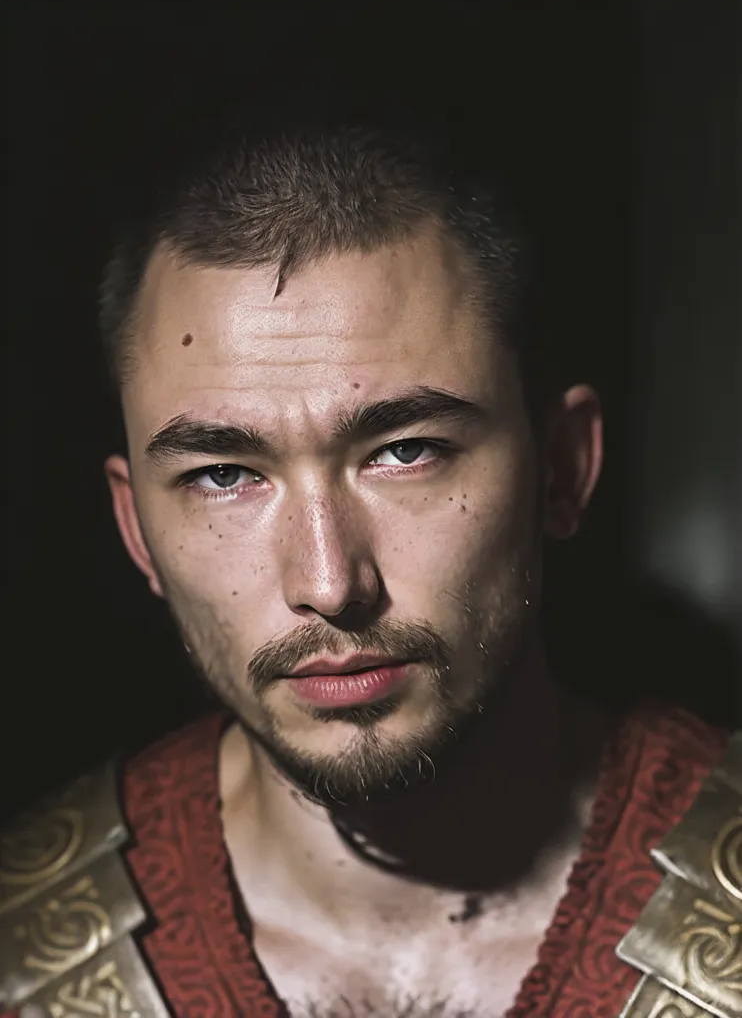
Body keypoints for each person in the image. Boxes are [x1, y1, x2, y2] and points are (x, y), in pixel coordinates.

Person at [1, 115, 737, 1018]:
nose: (328, 581)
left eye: (406, 452)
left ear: (563, 469)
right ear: (135, 528)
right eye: (224, 474)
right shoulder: (21, 960)